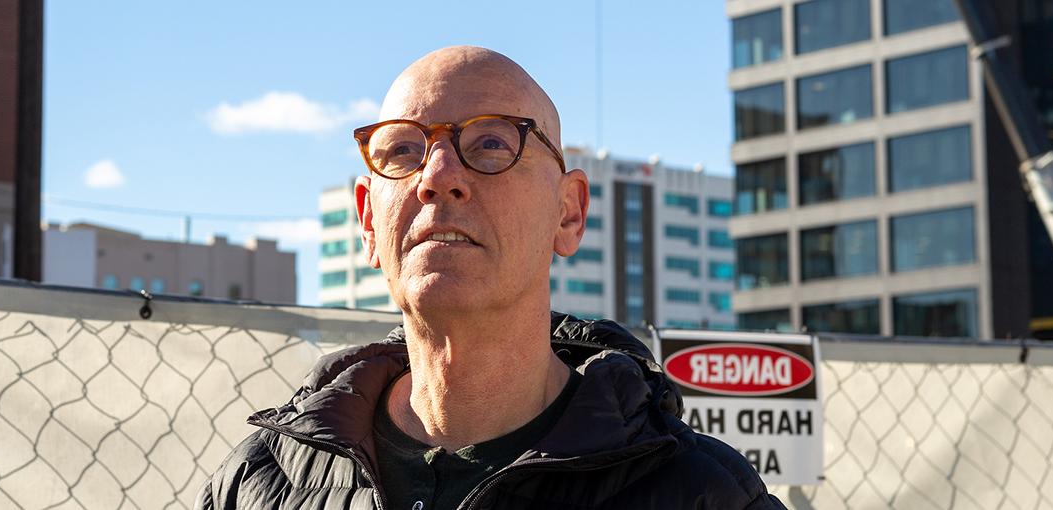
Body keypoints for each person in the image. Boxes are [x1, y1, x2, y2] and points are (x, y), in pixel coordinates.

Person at [199, 45, 785, 510]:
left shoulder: (700, 492)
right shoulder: (261, 482)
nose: (436, 178)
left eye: (490, 143)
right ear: (367, 222)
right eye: (403, 150)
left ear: (569, 212)